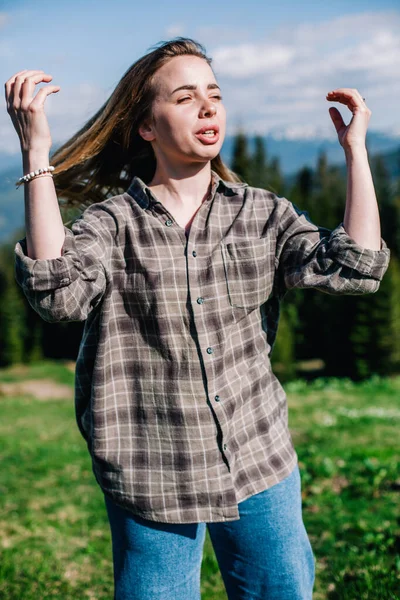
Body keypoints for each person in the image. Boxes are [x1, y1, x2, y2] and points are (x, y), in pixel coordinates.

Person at [7, 37, 390, 600]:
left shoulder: (262, 213)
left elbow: (355, 267)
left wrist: (355, 151)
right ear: (146, 126)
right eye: (185, 98)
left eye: (214, 94)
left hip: (260, 460)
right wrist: (36, 156)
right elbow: (56, 295)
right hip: (149, 470)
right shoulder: (111, 224)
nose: (208, 107)